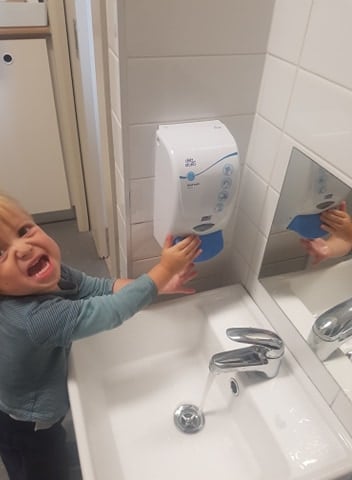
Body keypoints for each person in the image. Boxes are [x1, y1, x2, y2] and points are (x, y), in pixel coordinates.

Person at [0, 193, 202, 480]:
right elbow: (112, 310)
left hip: (22, 407)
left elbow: (101, 288)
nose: (23, 248)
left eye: (24, 231)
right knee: (40, 467)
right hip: (25, 422)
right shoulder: (35, 318)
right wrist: (162, 270)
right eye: (0, 253)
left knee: (36, 451)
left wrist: (160, 285)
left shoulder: (56, 277)